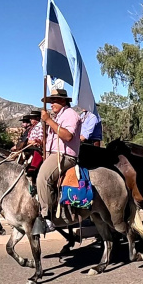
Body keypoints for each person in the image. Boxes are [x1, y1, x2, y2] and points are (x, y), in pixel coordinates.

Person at [37, 89, 81, 231]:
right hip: (53, 154)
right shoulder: (57, 117)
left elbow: (67, 136)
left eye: (54, 101)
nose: (51, 105)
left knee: (43, 178)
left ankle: (46, 217)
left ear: (63, 101)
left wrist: (49, 120)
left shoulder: (70, 115)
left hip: (64, 155)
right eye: (50, 102)